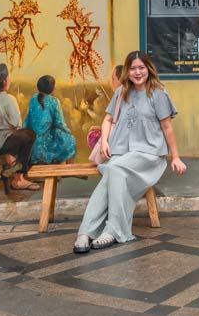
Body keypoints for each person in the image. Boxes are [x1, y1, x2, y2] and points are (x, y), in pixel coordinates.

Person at [73, 51, 187, 253]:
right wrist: (105, 142)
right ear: (127, 70)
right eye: (133, 68)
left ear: (148, 69)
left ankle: (112, 230)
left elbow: (167, 127)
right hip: (120, 154)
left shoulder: (158, 93)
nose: (137, 72)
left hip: (148, 155)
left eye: (141, 67)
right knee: (111, 176)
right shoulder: (121, 92)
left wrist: (176, 157)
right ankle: (87, 233)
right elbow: (108, 119)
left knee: (113, 171)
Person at [0, 63, 39, 191]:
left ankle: (16, 169)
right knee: (29, 135)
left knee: (10, 138)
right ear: (5, 81)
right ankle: (19, 177)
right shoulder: (10, 99)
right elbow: (17, 124)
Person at [24, 75, 76, 164]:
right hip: (46, 143)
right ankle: (69, 168)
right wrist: (68, 132)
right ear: (51, 88)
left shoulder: (33, 99)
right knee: (71, 140)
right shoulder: (54, 101)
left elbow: (28, 119)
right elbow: (60, 123)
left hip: (33, 142)